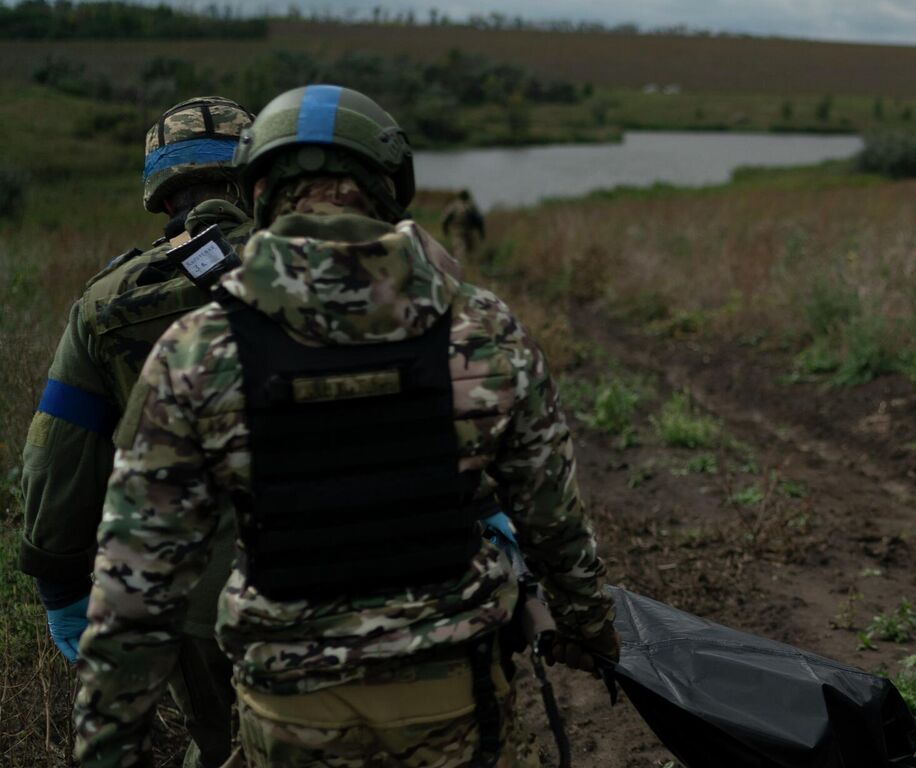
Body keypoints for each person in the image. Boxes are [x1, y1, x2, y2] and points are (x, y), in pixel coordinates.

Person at [72, 84, 619, 767]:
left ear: (260, 190)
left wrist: (108, 748)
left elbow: (135, 591)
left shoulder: (196, 351)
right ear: (389, 186)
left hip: (287, 717)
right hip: (457, 705)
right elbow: (554, 524)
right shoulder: (483, 329)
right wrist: (591, 629)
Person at [18, 95, 255, 768]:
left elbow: (57, 457)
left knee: (223, 744)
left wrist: (59, 583)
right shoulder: (327, 269)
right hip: (346, 567)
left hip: (193, 593)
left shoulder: (108, 303)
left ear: (162, 193)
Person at [441, 188, 486, 262]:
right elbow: (479, 221)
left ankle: (466, 265)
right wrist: (481, 232)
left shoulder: (454, 206)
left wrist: (445, 230)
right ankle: (466, 265)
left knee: (462, 251)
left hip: (461, 232)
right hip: (463, 232)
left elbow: (444, 219)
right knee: (465, 251)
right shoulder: (470, 206)